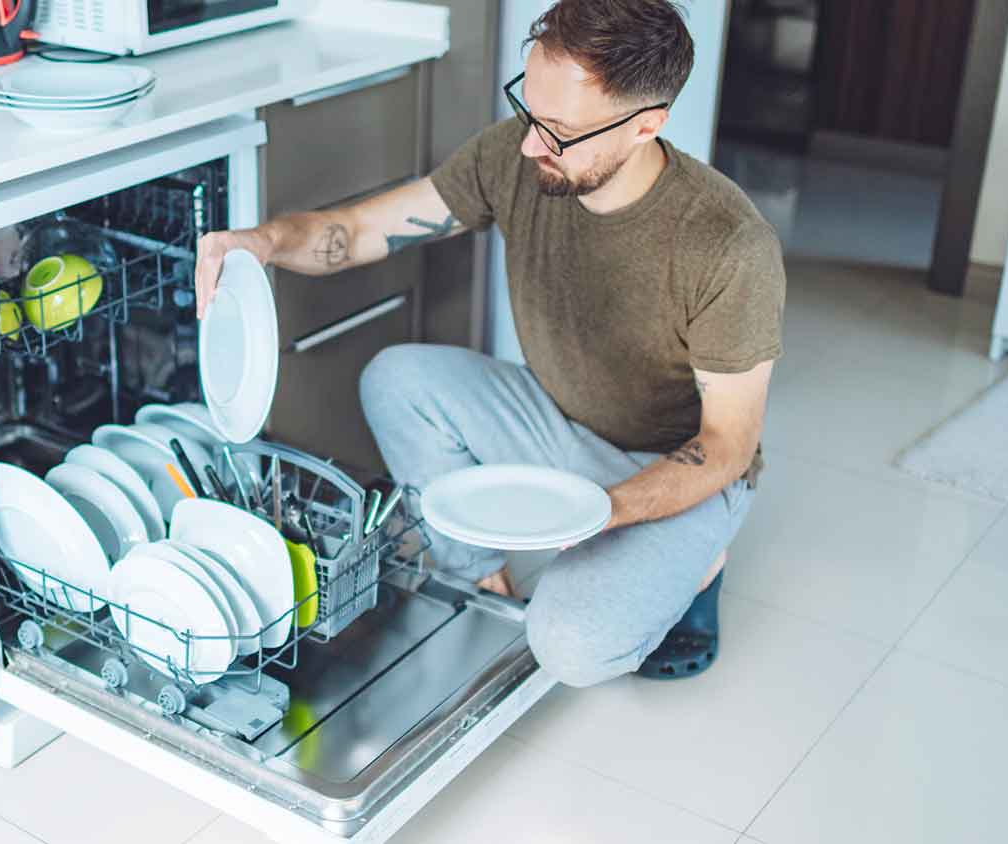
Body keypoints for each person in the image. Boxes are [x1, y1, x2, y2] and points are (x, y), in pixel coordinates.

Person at [192, 0, 785, 687]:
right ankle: (481, 576)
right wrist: (263, 241)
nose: (531, 144)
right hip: (558, 420)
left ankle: (700, 563)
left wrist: (603, 513)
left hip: (678, 469)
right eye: (527, 110)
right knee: (397, 379)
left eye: (557, 132)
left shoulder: (725, 245)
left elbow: (726, 447)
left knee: (570, 648)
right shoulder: (517, 154)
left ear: (646, 126)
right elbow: (358, 232)